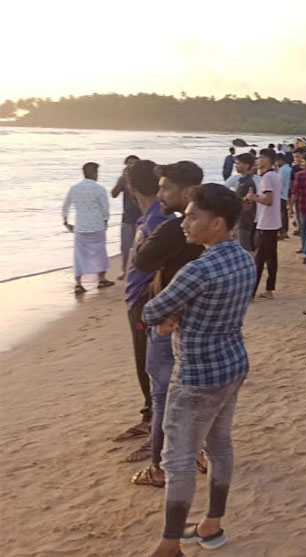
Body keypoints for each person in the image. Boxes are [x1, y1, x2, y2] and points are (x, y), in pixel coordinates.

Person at [143, 183, 257, 557]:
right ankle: (212, 523)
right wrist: (175, 313)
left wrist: (170, 315)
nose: (184, 223)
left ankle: (169, 544)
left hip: (197, 379)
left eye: (193, 217)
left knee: (178, 459)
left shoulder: (198, 270)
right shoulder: (244, 259)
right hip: (232, 366)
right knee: (220, 445)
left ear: (217, 223)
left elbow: (151, 310)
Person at [128, 160, 206, 487]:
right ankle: (197, 450)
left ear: (188, 191)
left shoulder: (174, 228)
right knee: (195, 390)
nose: (160, 194)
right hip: (201, 319)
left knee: (163, 392)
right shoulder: (214, 227)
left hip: (170, 320)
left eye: (166, 188)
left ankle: (159, 467)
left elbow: (141, 260)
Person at [116, 160, 160, 457]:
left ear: (132, 188)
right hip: (137, 300)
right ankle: (148, 416)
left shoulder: (158, 219)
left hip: (145, 302)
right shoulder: (149, 217)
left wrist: (147, 294)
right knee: (143, 361)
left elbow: (165, 264)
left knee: (150, 364)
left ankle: (155, 422)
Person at [63, 162, 113, 294]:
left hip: (81, 227)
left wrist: (66, 221)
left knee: (79, 255)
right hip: (97, 226)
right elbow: (105, 209)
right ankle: (101, 279)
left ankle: (78, 283)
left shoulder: (74, 188)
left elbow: (66, 206)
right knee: (99, 253)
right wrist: (105, 222)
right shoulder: (99, 189)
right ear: (94, 173)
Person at [246, 149, 282, 300]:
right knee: (271, 257)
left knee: (259, 259)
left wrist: (253, 197)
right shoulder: (274, 175)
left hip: (266, 223)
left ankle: (251, 293)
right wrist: (254, 198)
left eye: (260, 158)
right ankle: (269, 289)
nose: (258, 160)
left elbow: (268, 200)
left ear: (267, 160)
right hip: (273, 222)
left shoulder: (267, 177)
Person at [112, 155, 141, 279]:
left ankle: (137, 269)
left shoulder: (142, 180)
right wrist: (121, 180)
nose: (131, 165)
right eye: (129, 163)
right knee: (125, 246)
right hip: (127, 217)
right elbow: (114, 194)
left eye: (134, 163)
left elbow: (139, 198)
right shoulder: (123, 179)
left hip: (141, 217)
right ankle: (124, 270)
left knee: (140, 246)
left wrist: (130, 183)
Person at [232, 153, 257, 252]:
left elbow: (245, 203)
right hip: (242, 219)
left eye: (238, 163)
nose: (236, 165)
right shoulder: (243, 181)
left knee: (243, 247)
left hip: (244, 220)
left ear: (246, 166)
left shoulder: (247, 183)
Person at [275, 153, 291, 240]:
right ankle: (284, 231)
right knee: (284, 213)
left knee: (281, 214)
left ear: (280, 160)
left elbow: (280, 183)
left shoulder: (283, 170)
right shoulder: (287, 169)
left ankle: (282, 231)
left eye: (277, 161)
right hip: (284, 194)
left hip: (281, 194)